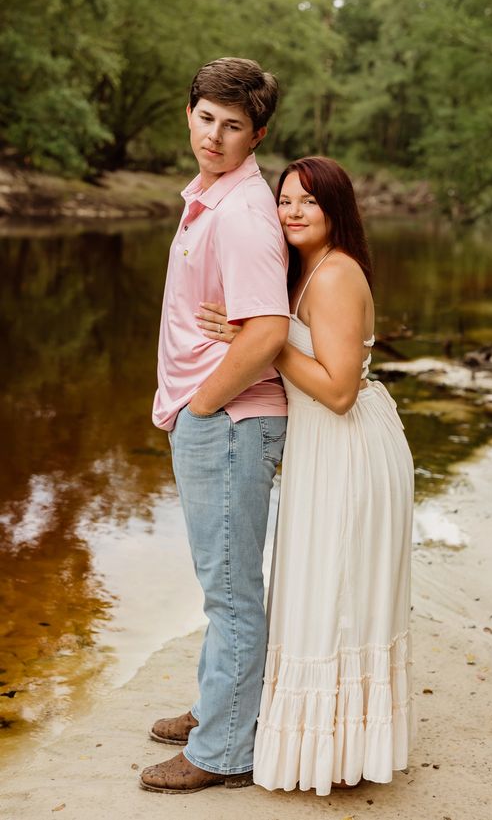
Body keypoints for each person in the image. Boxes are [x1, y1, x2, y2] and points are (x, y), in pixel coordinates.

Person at [196, 156, 414, 796]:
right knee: (315, 587)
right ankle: (299, 731)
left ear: (335, 210)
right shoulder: (301, 271)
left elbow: (341, 390)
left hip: (350, 446)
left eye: (307, 202)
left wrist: (262, 340)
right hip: (324, 446)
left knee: (336, 593)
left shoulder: (336, 275)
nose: (290, 210)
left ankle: (338, 751)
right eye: (284, 199)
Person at [139, 58, 290, 794]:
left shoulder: (242, 213)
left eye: (234, 126)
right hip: (212, 414)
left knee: (230, 589)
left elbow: (267, 331)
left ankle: (225, 750)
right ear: (189, 112)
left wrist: (202, 402)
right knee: (220, 580)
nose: (215, 136)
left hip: (228, 417)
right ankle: (215, 710)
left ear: (257, 132)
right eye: (206, 118)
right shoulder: (210, 195)